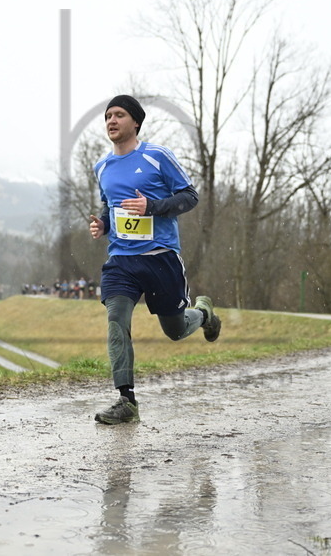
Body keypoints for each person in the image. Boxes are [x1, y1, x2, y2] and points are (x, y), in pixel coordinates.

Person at [88, 94, 221, 425]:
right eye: (108, 116)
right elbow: (110, 206)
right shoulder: (102, 167)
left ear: (135, 121)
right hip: (121, 261)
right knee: (116, 319)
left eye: (119, 115)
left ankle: (203, 313)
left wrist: (152, 207)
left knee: (174, 330)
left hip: (161, 258)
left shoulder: (157, 156)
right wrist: (103, 224)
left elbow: (189, 197)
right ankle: (126, 400)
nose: (111, 121)